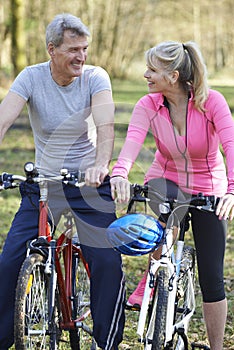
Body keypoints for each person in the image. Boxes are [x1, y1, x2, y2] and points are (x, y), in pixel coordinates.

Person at [0, 13, 125, 350]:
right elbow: (3, 119)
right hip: (45, 183)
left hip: (88, 182)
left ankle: (106, 342)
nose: (81, 57)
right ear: (51, 49)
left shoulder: (96, 77)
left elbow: (106, 125)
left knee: (105, 260)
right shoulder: (31, 77)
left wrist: (101, 165)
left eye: (84, 49)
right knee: (11, 258)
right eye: (73, 50)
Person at [110, 41, 234, 350]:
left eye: (152, 70)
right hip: (165, 179)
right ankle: (156, 273)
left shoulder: (212, 102)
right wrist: (119, 173)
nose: (145, 75)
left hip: (210, 186)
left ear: (174, 76)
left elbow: (231, 146)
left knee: (212, 276)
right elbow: (132, 143)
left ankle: (216, 346)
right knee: (170, 212)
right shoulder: (147, 105)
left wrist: (232, 190)